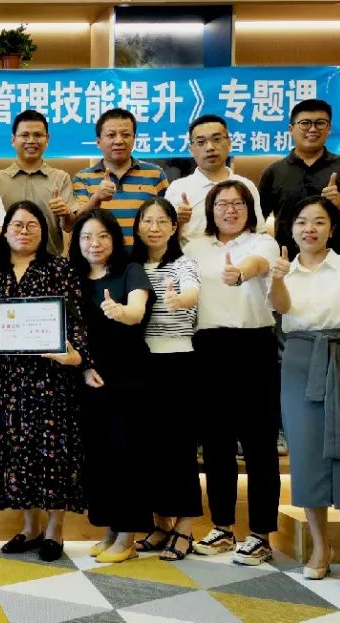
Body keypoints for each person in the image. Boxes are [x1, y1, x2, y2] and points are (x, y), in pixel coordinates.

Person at [267, 196, 340, 598]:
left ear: (332, 229)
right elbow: (281, 309)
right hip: (299, 362)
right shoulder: (284, 269)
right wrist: (277, 278)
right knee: (306, 457)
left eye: (318, 222)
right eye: (301, 222)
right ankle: (320, 547)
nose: (309, 229)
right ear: (291, 229)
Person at [0, 201, 90, 563]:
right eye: (17, 225)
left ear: (43, 232)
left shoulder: (59, 268)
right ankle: (29, 527)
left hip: (52, 377)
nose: (24, 231)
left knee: (53, 452)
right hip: (9, 379)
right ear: (5, 232)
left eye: (32, 225)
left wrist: (79, 357)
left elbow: (77, 318)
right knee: (17, 451)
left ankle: (54, 530)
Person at [183, 179, 281, 566]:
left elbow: (258, 266)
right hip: (207, 347)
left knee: (259, 445)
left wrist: (239, 272)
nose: (230, 210)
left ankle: (261, 533)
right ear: (211, 210)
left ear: (249, 208)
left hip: (253, 345)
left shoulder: (262, 242)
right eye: (222, 204)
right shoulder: (194, 247)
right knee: (216, 444)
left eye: (238, 203)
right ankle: (222, 526)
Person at [69, 208, 154, 563]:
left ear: (115, 239)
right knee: (99, 456)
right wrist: (84, 367)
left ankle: (128, 536)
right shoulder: (73, 276)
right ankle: (110, 530)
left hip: (129, 375)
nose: (95, 243)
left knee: (126, 455)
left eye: (103, 235)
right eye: (87, 236)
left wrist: (121, 312)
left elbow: (137, 311)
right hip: (89, 376)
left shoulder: (130, 270)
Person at [129, 198, 203, 560]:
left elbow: (192, 292)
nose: (154, 228)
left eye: (162, 221)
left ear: (174, 227)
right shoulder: (131, 266)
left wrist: (179, 300)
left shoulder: (183, 263)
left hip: (177, 363)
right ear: (138, 226)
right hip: (140, 364)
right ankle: (160, 523)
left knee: (179, 448)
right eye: (148, 221)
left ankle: (185, 526)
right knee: (148, 449)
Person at [260, 99, 340, 258]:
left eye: (320, 123)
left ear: (329, 128)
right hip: (287, 264)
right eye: (305, 123)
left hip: (334, 263)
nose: (312, 129)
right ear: (291, 129)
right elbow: (257, 223)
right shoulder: (274, 172)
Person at [164, 114, 265, 247]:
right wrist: (179, 221)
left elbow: (258, 233)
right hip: (192, 259)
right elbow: (164, 241)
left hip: (240, 258)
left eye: (216, 139)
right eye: (201, 142)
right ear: (191, 149)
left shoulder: (246, 186)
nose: (210, 147)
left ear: (229, 143)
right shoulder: (178, 189)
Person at [72, 108, 169, 245]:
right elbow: (74, 223)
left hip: (144, 257)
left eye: (126, 134)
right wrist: (97, 198)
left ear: (134, 139)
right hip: (99, 255)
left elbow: (167, 219)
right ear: (98, 142)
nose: (119, 141)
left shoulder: (156, 174)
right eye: (111, 135)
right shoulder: (82, 177)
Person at [0, 110, 75, 254]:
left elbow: (69, 226)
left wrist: (65, 212)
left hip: (49, 260)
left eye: (38, 135)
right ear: (13, 139)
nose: (31, 141)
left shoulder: (61, 178)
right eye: (25, 135)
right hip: (7, 261)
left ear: (47, 139)